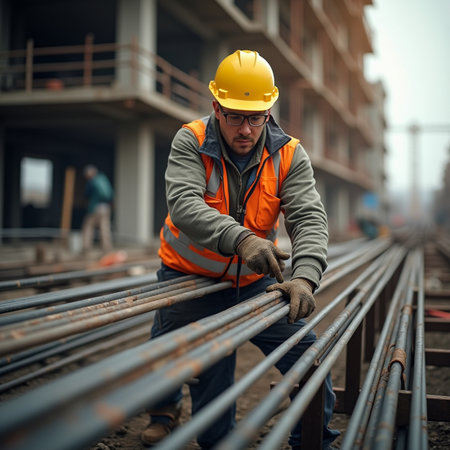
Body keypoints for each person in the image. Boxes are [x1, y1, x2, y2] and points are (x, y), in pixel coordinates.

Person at [141, 50, 339, 449]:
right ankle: (165, 411)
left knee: (308, 360)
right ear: (216, 107)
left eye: (255, 117)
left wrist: (303, 277)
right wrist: (242, 238)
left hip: (253, 282)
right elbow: (184, 205)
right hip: (187, 278)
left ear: (269, 111)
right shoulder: (192, 140)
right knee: (179, 363)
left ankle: (310, 441)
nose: (245, 129)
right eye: (234, 116)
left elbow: (308, 218)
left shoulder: (288, 154)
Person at [81, 164, 114, 252]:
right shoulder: (103, 179)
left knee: (88, 226)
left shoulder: (92, 182)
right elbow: (111, 195)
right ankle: (106, 247)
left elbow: (86, 194)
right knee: (105, 227)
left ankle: (86, 247)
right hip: (106, 207)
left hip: (95, 207)